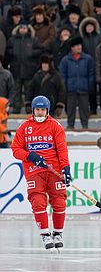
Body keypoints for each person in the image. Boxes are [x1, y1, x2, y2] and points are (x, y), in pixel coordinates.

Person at [11, 95, 71, 251]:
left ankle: (57, 233)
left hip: (54, 170)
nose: (39, 113)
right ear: (33, 110)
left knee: (59, 201)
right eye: (37, 109)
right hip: (34, 170)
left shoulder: (55, 126)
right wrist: (30, 156)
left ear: (47, 110)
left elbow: (62, 150)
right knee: (37, 200)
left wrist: (66, 169)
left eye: (42, 110)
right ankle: (45, 234)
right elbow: (15, 150)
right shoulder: (24, 127)